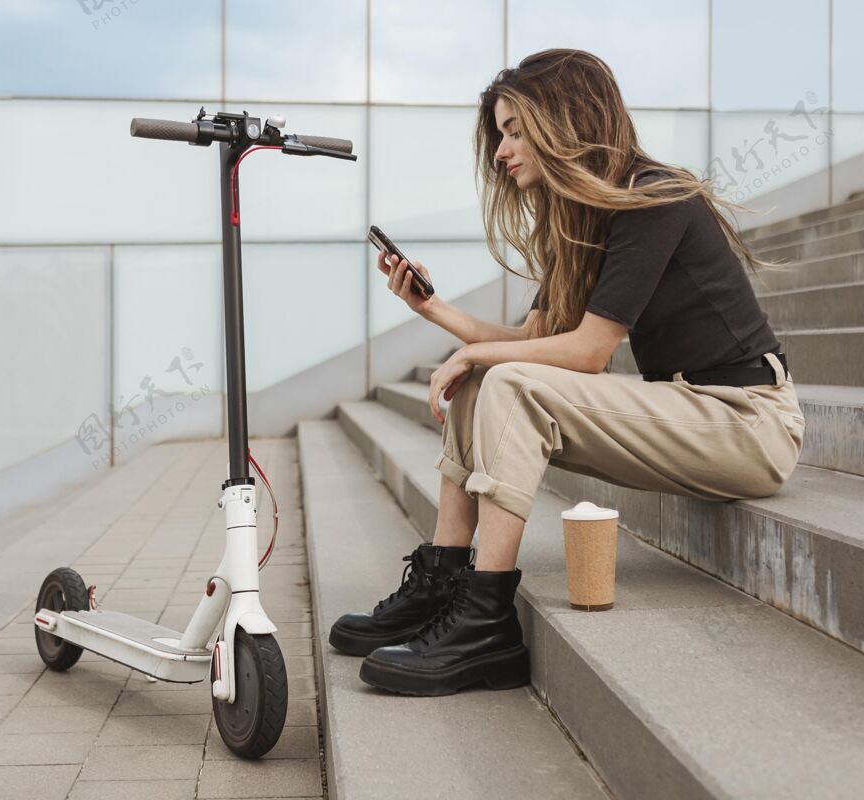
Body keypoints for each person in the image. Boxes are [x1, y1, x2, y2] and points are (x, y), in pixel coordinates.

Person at [329, 48, 805, 697]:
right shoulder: (586, 218)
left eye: (515, 129)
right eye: (500, 133)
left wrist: (476, 355)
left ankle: (486, 620)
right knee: (485, 380)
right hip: (689, 409)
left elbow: (586, 353)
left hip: (748, 422)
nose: (501, 151)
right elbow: (532, 341)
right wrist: (433, 309)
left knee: (506, 378)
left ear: (568, 118)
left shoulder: (654, 197)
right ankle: (442, 584)